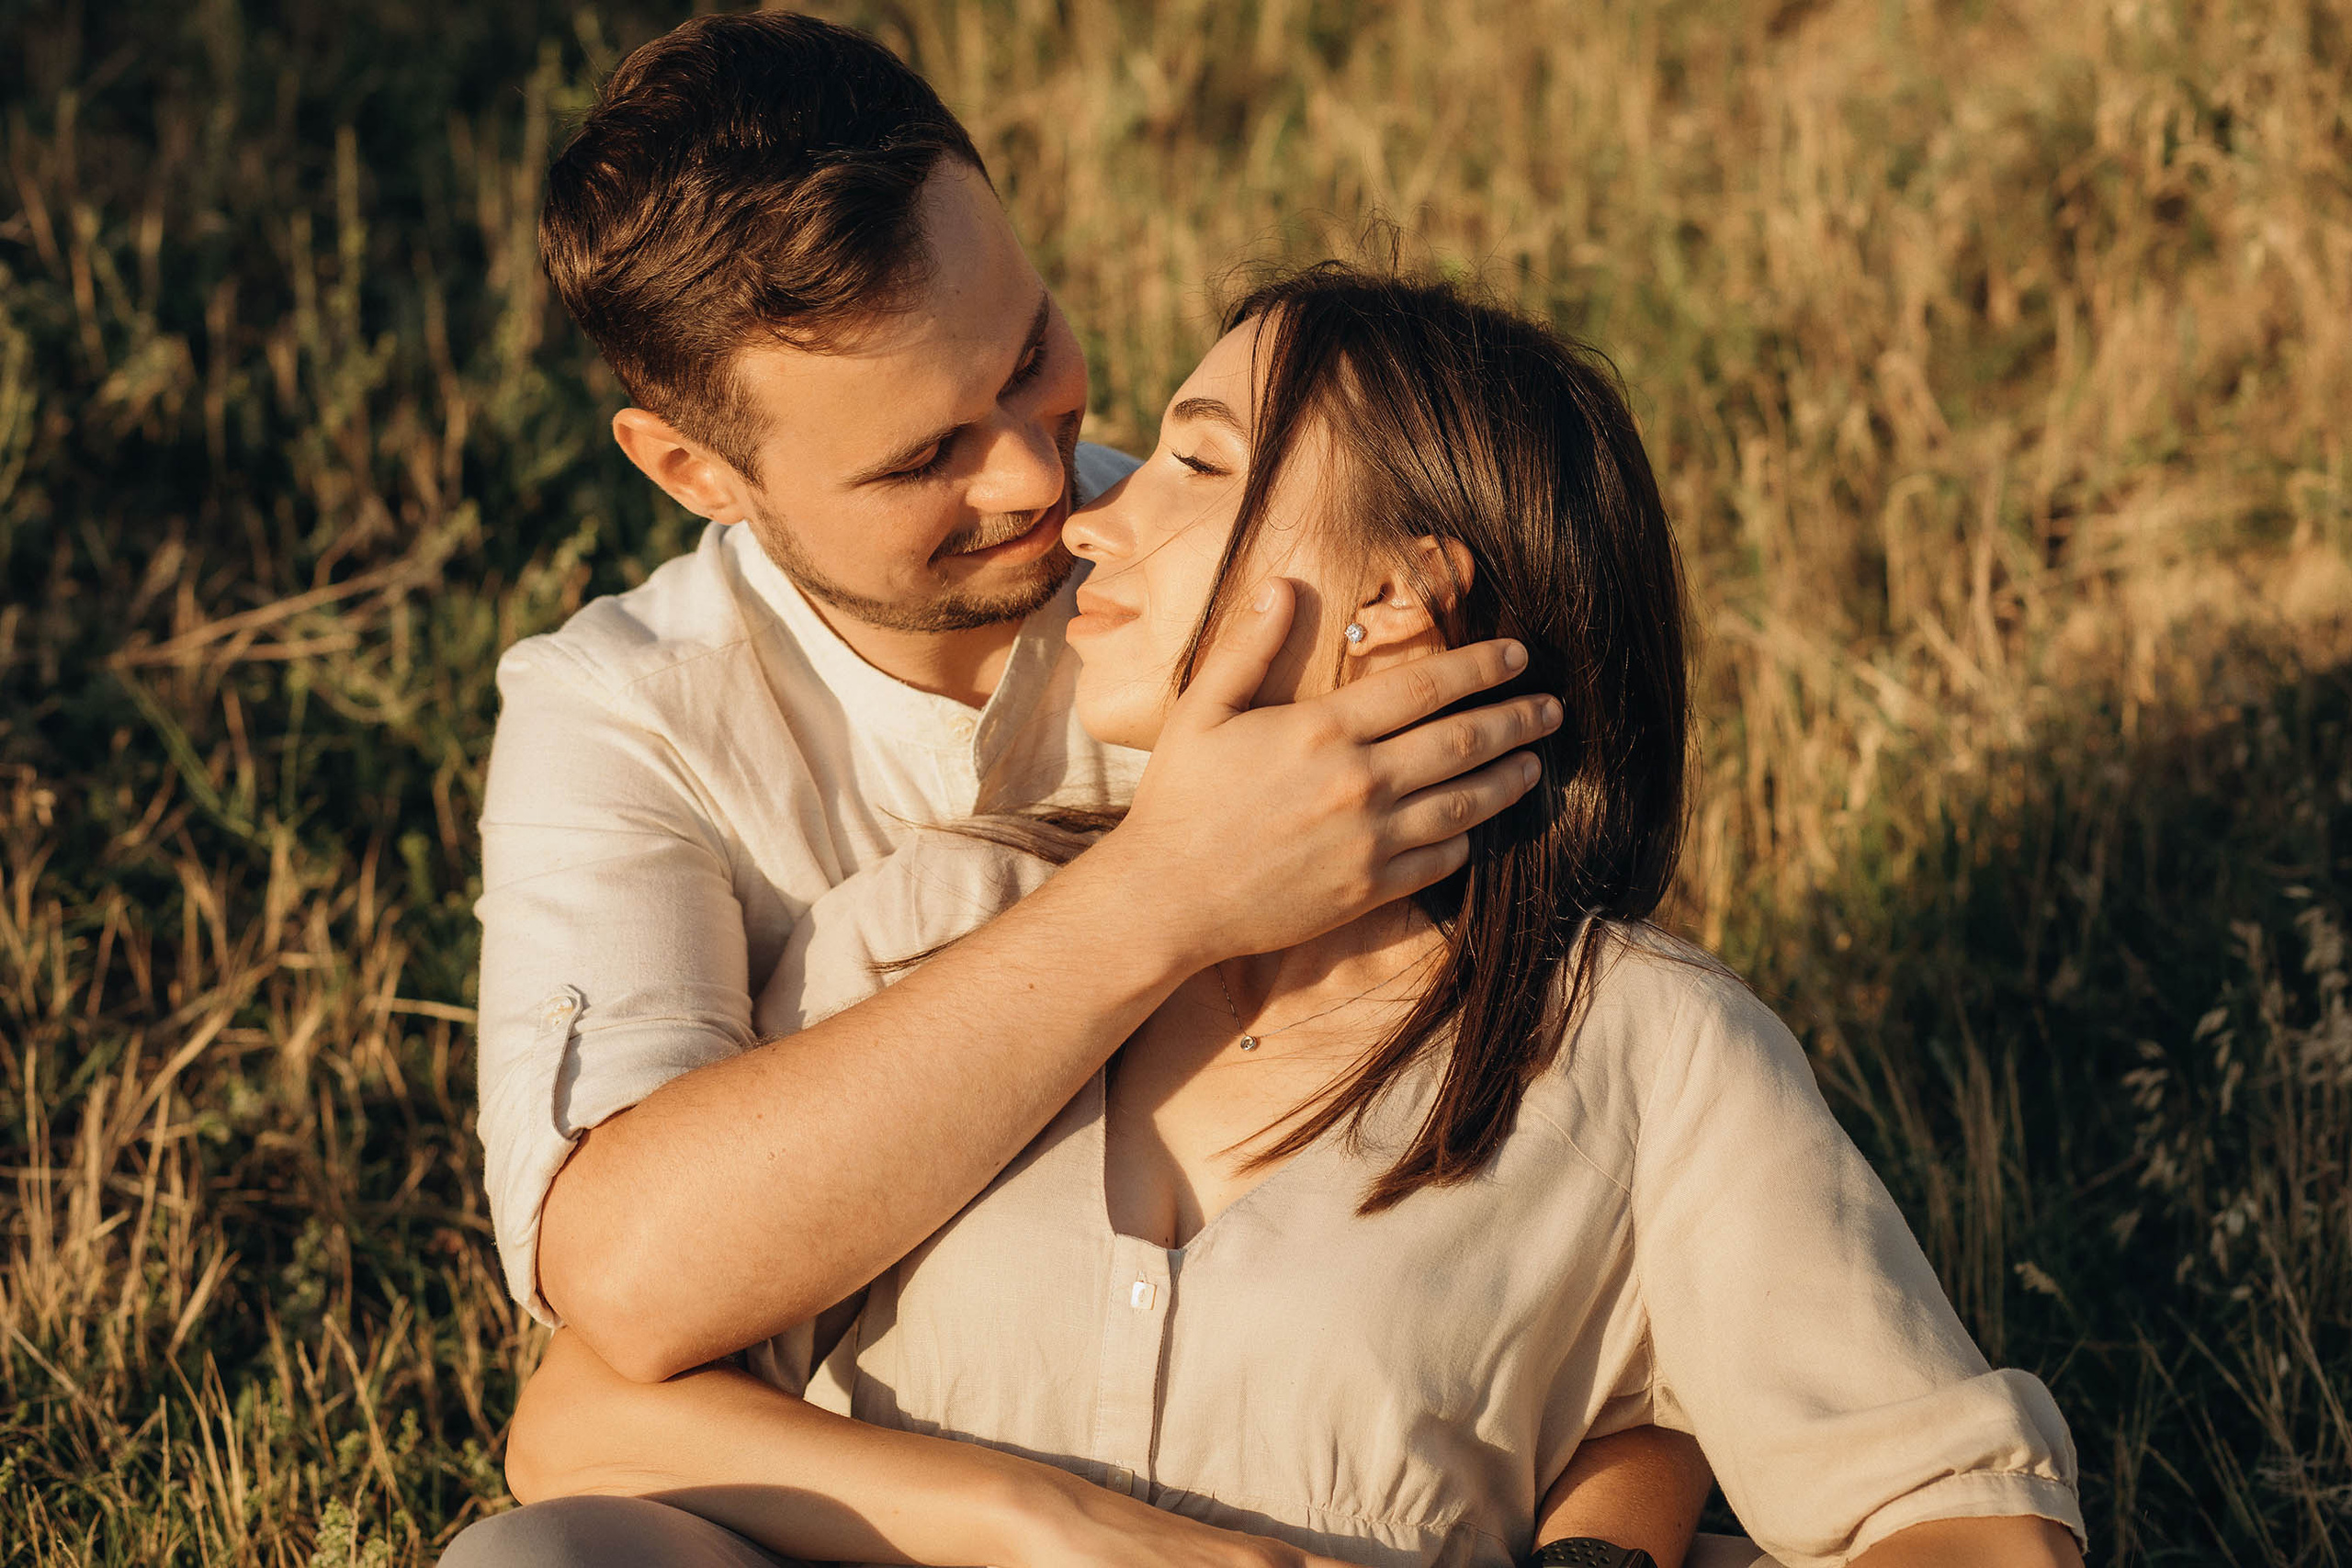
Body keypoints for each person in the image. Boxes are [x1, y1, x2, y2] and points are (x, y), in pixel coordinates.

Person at [452, 268, 2090, 1568]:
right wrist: (1070, 1536)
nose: (1082, 509)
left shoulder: (1651, 1055)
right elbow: (596, 1411)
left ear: (1397, 603)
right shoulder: (935, 921)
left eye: (1195, 463)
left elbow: (1956, 1516)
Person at [462, 7, 1711, 1565]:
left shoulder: (1249, 585)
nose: (1041, 483)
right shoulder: (627, 717)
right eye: (923, 459)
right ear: (691, 471)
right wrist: (1165, 891)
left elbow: (1593, 1176)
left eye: (1031, 355)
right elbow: (631, 1289)